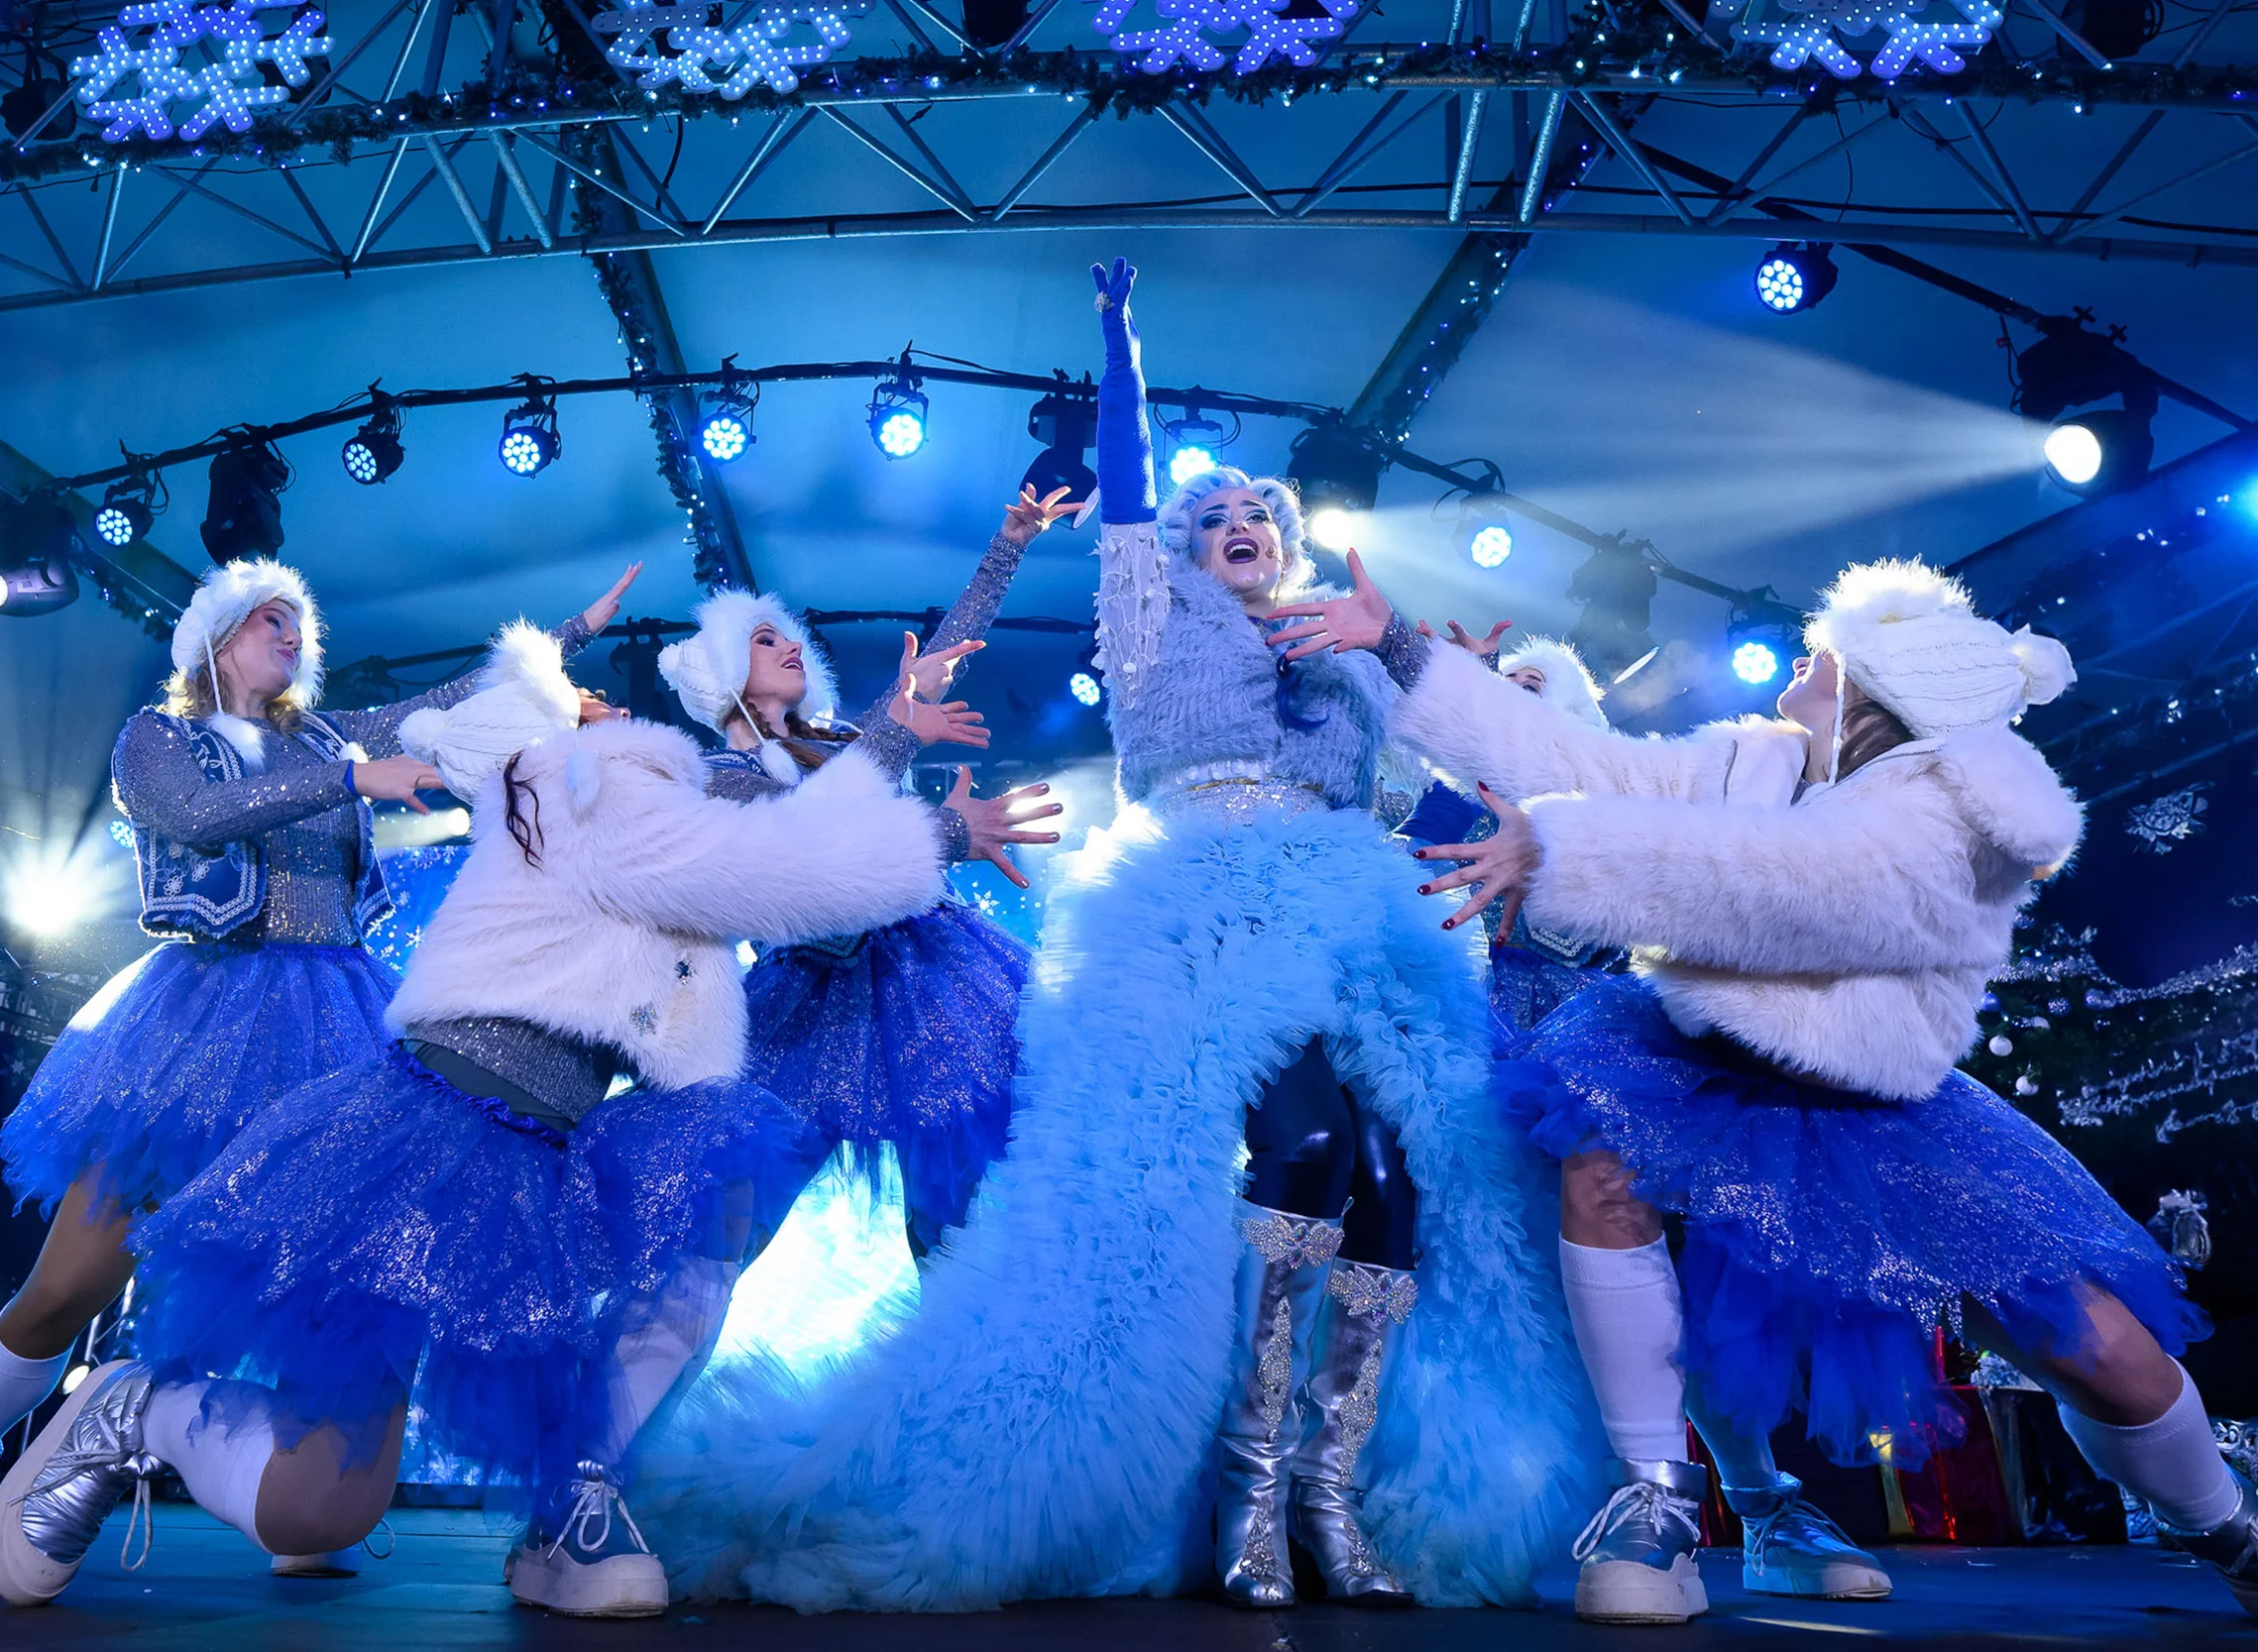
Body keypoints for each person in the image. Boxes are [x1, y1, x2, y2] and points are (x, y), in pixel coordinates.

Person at [631, 255, 1601, 1613]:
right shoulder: (1153, 626)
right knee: (1306, 1145)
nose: (1241, 523)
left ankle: (1328, 1494)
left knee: (1394, 1177)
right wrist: (1119, 341)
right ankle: (1249, 1488)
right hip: (1207, 914)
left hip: (1351, 917)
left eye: (1260, 515)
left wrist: (1516, 809)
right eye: (1219, 518)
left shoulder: (1344, 665)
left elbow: (1421, 798)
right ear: (1188, 553)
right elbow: (1134, 494)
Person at [1275, 556, 2258, 1627]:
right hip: (1699, 1067)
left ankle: (2234, 1533)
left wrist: (1563, 851)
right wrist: (1403, 652)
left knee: (2097, 1347)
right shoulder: (1755, 761)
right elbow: (1587, 758)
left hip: (1878, 1111)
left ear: (1874, 688)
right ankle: (1657, 1501)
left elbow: (1803, 889)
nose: (1796, 662)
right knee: (1602, 1161)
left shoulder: (1956, 814)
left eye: (1821, 654)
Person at [0, 623, 988, 1620]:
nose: (609, 702)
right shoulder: (585, 787)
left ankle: (573, 1506)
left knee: (706, 1202)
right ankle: (133, 1405)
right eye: (586, 698)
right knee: (317, 1505)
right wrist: (927, 803)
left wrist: (889, 733)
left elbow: (784, 820)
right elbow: (789, 865)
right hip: (429, 1138)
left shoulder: (668, 794)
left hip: (540, 1154)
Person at [0, 557, 632, 1565]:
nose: (291, 633)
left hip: (341, 1026)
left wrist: (563, 644)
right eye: (267, 618)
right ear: (213, 639)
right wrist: (350, 779)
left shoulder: (332, 733)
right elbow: (193, 815)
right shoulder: (159, 738)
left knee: (328, 1273)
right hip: (200, 1031)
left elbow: (454, 700)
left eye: (299, 622)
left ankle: (304, 1480)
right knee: (70, 1282)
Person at [655, 488, 1074, 1254]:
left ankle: (960, 1326)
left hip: (929, 973)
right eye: (763, 640)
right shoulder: (717, 779)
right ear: (725, 673)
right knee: (731, 1219)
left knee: (953, 1218)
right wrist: (941, 821)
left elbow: (947, 651)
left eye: (789, 637)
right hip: (807, 999)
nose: (790, 645)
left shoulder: (843, 740)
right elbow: (808, 855)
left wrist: (1009, 544)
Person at [1394, 630, 1623, 1036]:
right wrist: (1468, 674)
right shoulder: (1454, 762)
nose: (1513, 690)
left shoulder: (1578, 792)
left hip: (1522, 984)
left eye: (1531, 686)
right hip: (1416, 931)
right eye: (1507, 681)